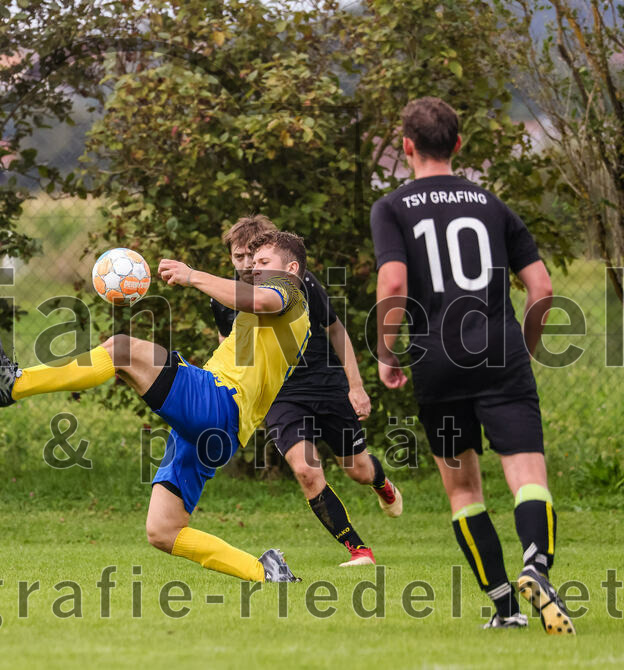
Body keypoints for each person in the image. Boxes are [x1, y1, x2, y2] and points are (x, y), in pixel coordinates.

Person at [0, 232, 311, 582]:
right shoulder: (265, 309)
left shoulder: (290, 293)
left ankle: (15, 385)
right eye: (251, 261)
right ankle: (266, 573)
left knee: (122, 350)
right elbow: (248, 337)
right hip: (220, 431)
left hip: (219, 402)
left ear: (291, 268)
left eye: (263, 263)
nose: (253, 268)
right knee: (163, 531)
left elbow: (262, 301)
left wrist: (191, 275)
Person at [371, 97, 571, 633]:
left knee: (463, 491)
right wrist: (521, 347)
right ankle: (537, 564)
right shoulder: (492, 205)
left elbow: (393, 284)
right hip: (500, 352)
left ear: (407, 146)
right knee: (527, 476)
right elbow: (543, 288)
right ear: (458, 145)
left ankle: (506, 609)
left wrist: (388, 353)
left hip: (436, 360)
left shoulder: (391, 207)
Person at [212, 217, 402, 568]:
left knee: (357, 469)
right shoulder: (224, 298)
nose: (245, 265)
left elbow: (335, 329)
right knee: (305, 470)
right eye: (237, 257)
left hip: (325, 383)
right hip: (281, 394)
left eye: (253, 258)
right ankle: (359, 550)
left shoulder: (299, 283)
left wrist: (356, 386)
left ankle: (380, 482)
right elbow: (233, 357)